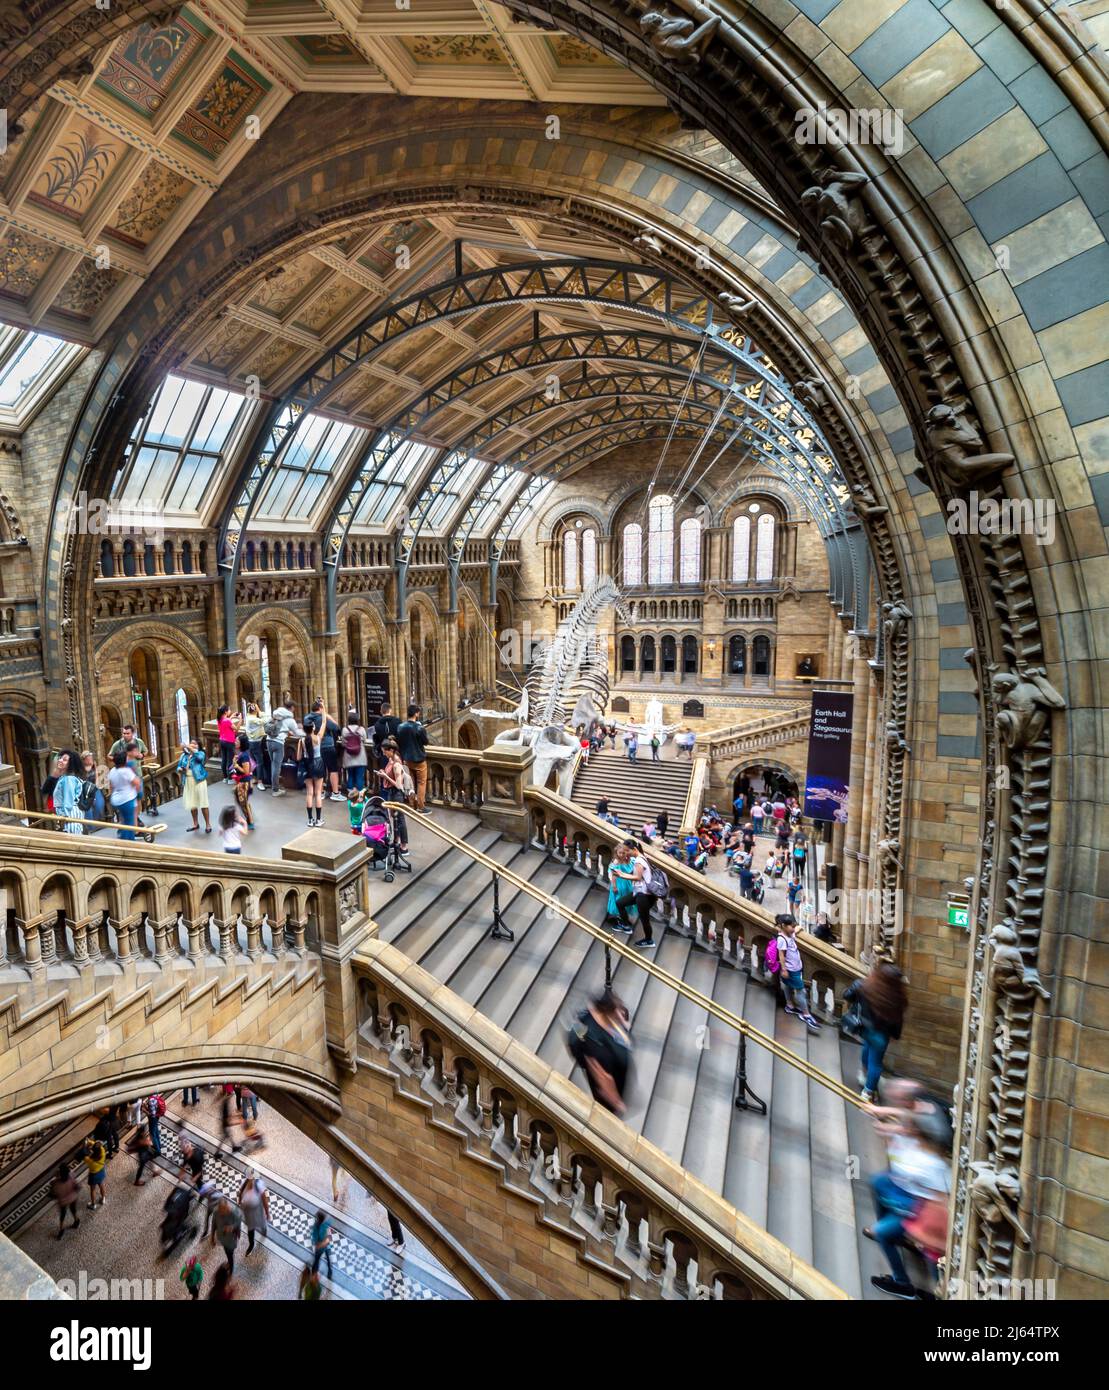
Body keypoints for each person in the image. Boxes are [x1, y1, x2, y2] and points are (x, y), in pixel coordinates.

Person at [867, 1110, 951, 1299]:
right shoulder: (920, 1147)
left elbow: (939, 1204)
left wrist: (927, 1235)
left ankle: (903, 1284)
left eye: (913, 1128)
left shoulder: (934, 1167)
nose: (908, 1128)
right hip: (916, 1208)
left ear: (920, 1133)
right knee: (879, 1182)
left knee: (885, 1233)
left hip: (919, 1213)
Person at [844, 961, 908, 1101]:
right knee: (876, 1062)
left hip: (865, 1028)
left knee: (867, 1049)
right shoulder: (898, 998)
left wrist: (857, 986)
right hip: (881, 1035)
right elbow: (898, 1020)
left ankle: (864, 1076)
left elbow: (847, 995)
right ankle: (867, 1092)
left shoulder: (865, 985)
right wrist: (895, 1035)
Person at [567, 989, 631, 1115]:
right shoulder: (596, 1044)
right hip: (610, 1088)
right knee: (606, 1113)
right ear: (608, 1012)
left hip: (617, 1073)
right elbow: (603, 1078)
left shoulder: (601, 1019)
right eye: (617, 1010)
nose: (621, 1014)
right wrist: (617, 1102)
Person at [773, 915, 820, 1032]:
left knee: (788, 986)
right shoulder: (782, 939)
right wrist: (784, 969)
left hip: (795, 968)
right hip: (790, 969)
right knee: (800, 991)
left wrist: (798, 928)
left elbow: (797, 930)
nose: (793, 928)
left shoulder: (789, 934)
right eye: (791, 926)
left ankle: (790, 1006)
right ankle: (806, 1014)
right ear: (783, 926)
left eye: (794, 926)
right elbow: (781, 955)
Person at [305, 698, 343, 802]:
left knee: (319, 770)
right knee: (333, 769)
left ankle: (320, 792)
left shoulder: (307, 718)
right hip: (327, 746)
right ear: (320, 709)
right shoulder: (322, 718)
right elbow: (337, 729)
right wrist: (329, 717)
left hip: (313, 747)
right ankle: (335, 793)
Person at [377, 741, 412, 851]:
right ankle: (396, 841)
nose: (384, 754)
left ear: (391, 750)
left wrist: (385, 776)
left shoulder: (397, 764)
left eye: (385, 751)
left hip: (397, 794)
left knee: (400, 819)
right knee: (394, 818)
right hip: (390, 792)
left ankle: (404, 846)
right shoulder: (390, 760)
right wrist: (383, 773)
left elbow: (398, 785)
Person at [396, 704, 429, 811]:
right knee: (421, 783)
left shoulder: (400, 727)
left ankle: (411, 805)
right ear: (416, 714)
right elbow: (426, 742)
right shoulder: (419, 728)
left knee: (410, 783)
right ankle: (421, 806)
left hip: (406, 759)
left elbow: (399, 742)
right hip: (419, 759)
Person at [627, 838, 659, 950]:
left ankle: (649, 940)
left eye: (628, 851)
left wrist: (622, 875)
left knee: (644, 919)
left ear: (634, 849)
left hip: (643, 894)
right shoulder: (641, 858)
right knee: (621, 902)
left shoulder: (638, 861)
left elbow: (638, 877)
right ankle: (626, 925)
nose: (627, 853)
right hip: (642, 893)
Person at [265, 703, 302, 796]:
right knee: (276, 767)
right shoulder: (290, 719)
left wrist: (286, 731)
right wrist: (309, 734)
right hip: (278, 743)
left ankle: (274, 786)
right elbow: (297, 733)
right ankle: (275, 790)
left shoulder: (276, 714)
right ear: (292, 708)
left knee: (273, 765)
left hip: (269, 741)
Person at [177, 739, 211, 833]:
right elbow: (178, 766)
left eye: (195, 744)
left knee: (203, 803)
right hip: (188, 780)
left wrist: (189, 748)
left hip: (199, 780)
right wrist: (180, 769)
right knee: (192, 803)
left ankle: (208, 824)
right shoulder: (184, 755)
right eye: (191, 743)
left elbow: (200, 759)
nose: (192, 745)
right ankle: (195, 824)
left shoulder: (200, 754)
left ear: (199, 746)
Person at [107, 749, 140, 841]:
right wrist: (136, 793)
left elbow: (111, 786)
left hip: (116, 799)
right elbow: (136, 782)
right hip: (127, 799)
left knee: (124, 820)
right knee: (129, 822)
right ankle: (128, 842)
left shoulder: (112, 770)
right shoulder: (125, 771)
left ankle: (125, 838)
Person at [51, 750, 86, 834]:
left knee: (74, 841)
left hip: (70, 815)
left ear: (71, 764)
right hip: (69, 814)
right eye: (60, 758)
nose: (60, 761)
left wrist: (63, 817)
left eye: (64, 760)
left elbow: (68, 800)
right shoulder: (64, 777)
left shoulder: (68, 779)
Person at [300, 720, 326, 828]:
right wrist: (323, 708)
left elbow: (298, 757)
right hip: (318, 764)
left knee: (309, 793)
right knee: (318, 793)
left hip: (307, 765)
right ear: (313, 728)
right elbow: (324, 723)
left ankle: (310, 820)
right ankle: (319, 820)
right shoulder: (318, 738)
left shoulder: (301, 740)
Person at [606, 843, 637, 932]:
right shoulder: (616, 862)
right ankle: (620, 919)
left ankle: (624, 918)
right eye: (620, 853)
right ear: (616, 853)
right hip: (619, 884)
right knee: (618, 900)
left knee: (625, 901)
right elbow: (614, 875)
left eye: (623, 853)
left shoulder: (629, 860)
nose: (622, 855)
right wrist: (614, 886)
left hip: (627, 883)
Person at [238, 1172, 270, 1254]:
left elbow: (264, 1200)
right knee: (250, 1230)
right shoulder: (244, 1184)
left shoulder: (259, 1185)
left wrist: (267, 1213)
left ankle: (264, 1230)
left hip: (258, 1212)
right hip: (248, 1214)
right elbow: (241, 1193)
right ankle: (251, 1244)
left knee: (262, 1224)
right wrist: (240, 1203)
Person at [210, 1196, 242, 1274]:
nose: (222, 1212)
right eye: (220, 1209)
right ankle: (229, 1262)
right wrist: (212, 1238)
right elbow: (213, 1224)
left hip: (231, 1241)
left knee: (230, 1254)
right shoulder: (216, 1212)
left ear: (227, 1206)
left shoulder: (234, 1213)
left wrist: (232, 1227)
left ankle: (231, 1269)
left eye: (224, 1209)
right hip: (222, 1238)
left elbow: (238, 1222)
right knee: (227, 1252)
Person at [231, 731, 256, 828]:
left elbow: (246, 771)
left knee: (243, 803)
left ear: (242, 743)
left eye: (237, 741)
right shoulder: (241, 753)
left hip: (244, 782)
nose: (235, 742)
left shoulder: (244, 755)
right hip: (242, 782)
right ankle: (249, 818)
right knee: (242, 801)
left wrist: (236, 766)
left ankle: (250, 822)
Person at [341, 710, 369, 791]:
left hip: (349, 757)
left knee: (350, 776)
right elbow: (365, 740)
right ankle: (359, 795)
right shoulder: (361, 729)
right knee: (359, 777)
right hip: (360, 757)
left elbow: (343, 743)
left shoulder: (344, 729)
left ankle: (351, 795)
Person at [52, 1162, 80, 1238]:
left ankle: (61, 1229)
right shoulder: (71, 1175)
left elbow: (53, 1194)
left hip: (63, 1202)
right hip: (73, 1197)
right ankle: (76, 1221)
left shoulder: (56, 1183)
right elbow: (77, 1186)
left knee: (63, 1215)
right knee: (73, 1210)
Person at [243, 702, 267, 788]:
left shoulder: (248, 717)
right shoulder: (253, 719)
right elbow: (265, 720)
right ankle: (260, 781)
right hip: (255, 742)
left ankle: (255, 778)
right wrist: (259, 711)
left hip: (251, 742)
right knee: (259, 762)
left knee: (254, 761)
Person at [372, 702, 401, 768]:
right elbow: (401, 738)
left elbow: (377, 740)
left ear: (381, 711)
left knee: (386, 772)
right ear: (390, 710)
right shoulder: (398, 721)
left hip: (384, 753)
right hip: (396, 753)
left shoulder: (377, 724)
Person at [83, 1133, 107, 1209]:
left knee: (92, 1190)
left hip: (93, 1175)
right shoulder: (102, 1151)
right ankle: (103, 1199)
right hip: (101, 1171)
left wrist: (86, 1145)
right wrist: (90, 1141)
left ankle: (93, 1205)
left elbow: (84, 1154)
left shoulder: (89, 1160)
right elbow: (97, 1147)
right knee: (101, 1185)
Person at [216, 705, 239, 781]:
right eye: (229, 710)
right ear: (226, 711)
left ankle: (225, 777)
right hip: (229, 742)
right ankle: (230, 778)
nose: (230, 711)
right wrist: (240, 720)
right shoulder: (228, 721)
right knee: (230, 760)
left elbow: (226, 722)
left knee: (224, 759)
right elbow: (236, 729)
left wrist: (231, 717)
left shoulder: (219, 719)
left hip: (222, 741)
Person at [219, 1087, 243, 1155]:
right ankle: (217, 1153)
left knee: (228, 1137)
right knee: (224, 1138)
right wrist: (237, 1122)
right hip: (225, 1125)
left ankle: (234, 1147)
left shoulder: (225, 1102)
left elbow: (229, 1115)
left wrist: (237, 1116)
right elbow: (227, 1120)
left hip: (225, 1125)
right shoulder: (226, 1104)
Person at [311, 1209, 334, 1279]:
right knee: (327, 1259)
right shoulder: (323, 1225)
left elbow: (314, 1239)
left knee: (317, 1261)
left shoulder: (316, 1227)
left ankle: (314, 1273)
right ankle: (329, 1271)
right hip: (324, 1246)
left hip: (321, 1247)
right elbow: (329, 1222)